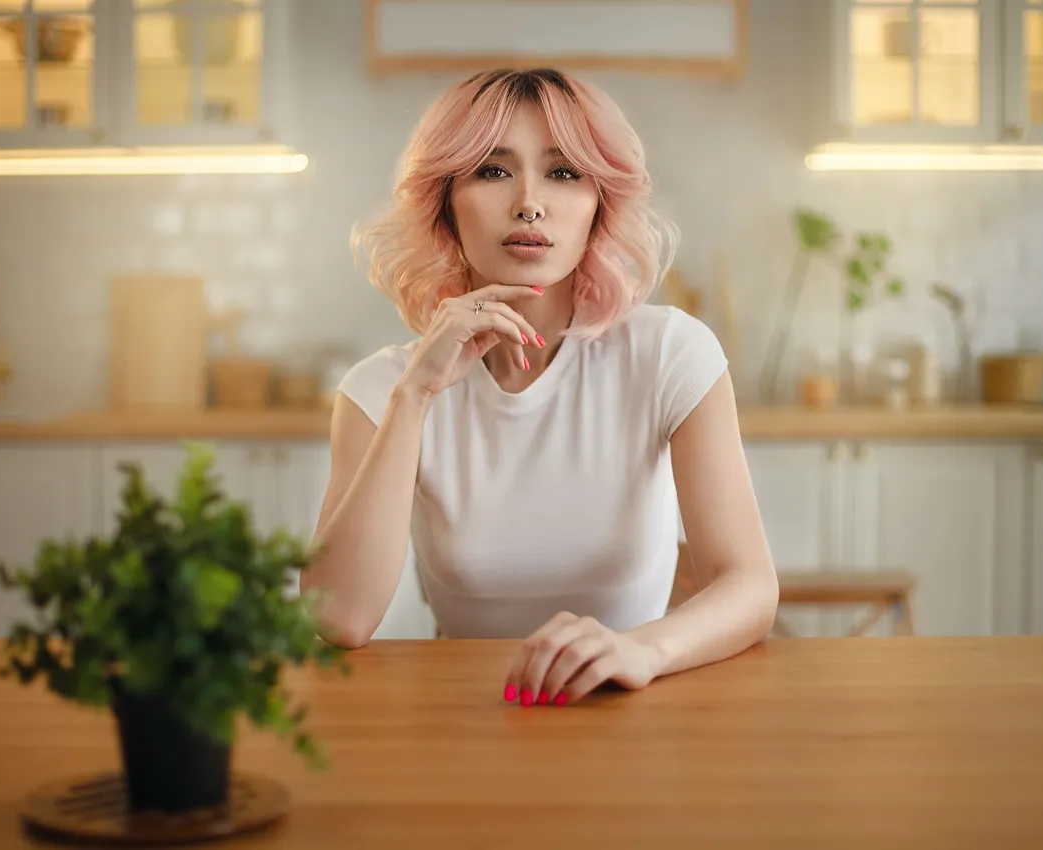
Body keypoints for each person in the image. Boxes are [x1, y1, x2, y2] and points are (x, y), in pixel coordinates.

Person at [302, 67, 778, 707]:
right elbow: (340, 618)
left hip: (631, 708)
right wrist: (414, 399)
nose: (530, 201)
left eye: (563, 173)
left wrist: (643, 649)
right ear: (444, 204)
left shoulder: (669, 353)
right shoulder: (382, 388)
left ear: (597, 208)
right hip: (469, 719)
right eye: (493, 171)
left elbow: (749, 585)